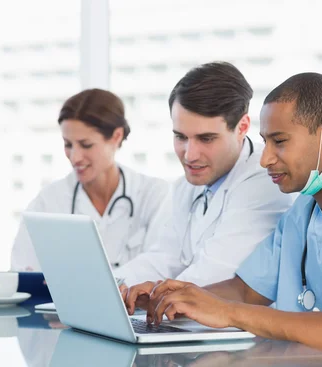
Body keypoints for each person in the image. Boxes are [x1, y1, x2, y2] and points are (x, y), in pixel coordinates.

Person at [124, 72, 322, 364]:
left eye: (279, 141)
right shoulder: (303, 209)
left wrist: (227, 312)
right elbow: (246, 290)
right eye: (264, 142)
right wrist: (172, 298)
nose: (265, 159)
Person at [114, 62, 292, 287]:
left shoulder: (265, 182)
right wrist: (112, 284)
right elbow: (165, 258)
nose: (189, 155)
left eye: (206, 139)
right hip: (190, 319)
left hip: (237, 320)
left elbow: (216, 273)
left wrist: (151, 295)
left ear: (242, 127)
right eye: (180, 137)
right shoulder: (187, 185)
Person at [11, 89, 170, 271]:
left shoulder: (153, 195)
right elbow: (22, 270)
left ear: (116, 137)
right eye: (68, 144)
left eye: (86, 145)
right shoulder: (49, 202)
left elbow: (162, 267)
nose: (75, 157)